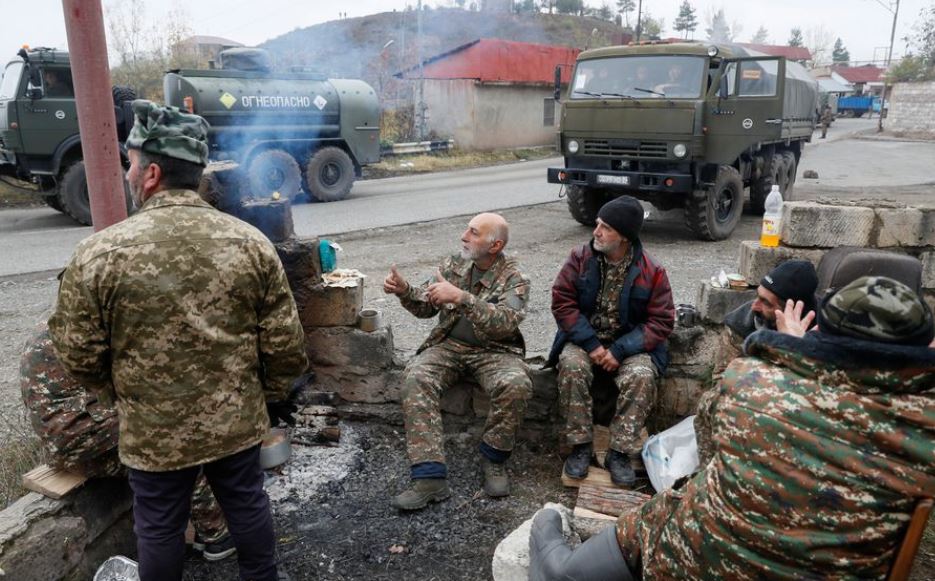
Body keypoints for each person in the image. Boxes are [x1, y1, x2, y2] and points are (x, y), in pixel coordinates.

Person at [48, 100, 307, 581]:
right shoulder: (251, 243)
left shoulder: (98, 254)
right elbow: (285, 346)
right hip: (234, 420)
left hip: (153, 428)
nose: (128, 174)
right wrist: (263, 396)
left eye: (130, 164)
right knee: (247, 505)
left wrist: (124, 393)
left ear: (151, 174)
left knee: (160, 528)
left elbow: (79, 354)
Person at [530, 275, 935, 580]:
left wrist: (792, 351)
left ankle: (557, 558)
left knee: (633, 531)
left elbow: (707, 438)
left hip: (696, 561)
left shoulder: (750, 380)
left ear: (821, 333)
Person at [19, 323, 235, 561]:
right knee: (180, 449)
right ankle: (216, 535)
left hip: (68, 445)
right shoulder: (95, 332)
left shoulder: (55, 327)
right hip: (85, 443)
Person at [384, 213, 532, 510]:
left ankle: (494, 460)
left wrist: (463, 298)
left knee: (516, 384)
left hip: (495, 351)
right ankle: (429, 478)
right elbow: (426, 305)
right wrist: (404, 290)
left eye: (473, 232)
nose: (464, 236)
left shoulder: (515, 278)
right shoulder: (454, 263)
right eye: (467, 229)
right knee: (416, 377)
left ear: (495, 245)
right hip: (450, 345)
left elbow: (504, 322)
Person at [548, 196, 674, 487]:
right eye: (597, 225)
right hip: (585, 340)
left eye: (606, 227)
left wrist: (619, 350)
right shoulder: (579, 259)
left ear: (625, 237)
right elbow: (562, 304)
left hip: (629, 347)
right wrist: (592, 345)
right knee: (571, 365)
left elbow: (661, 321)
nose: (597, 232)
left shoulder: (652, 271)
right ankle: (580, 446)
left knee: (642, 376)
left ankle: (618, 452)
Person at [694, 259, 819, 464]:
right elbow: (722, 380)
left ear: (791, 309)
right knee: (711, 401)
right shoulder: (742, 322)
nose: (755, 305)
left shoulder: (821, 328)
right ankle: (711, 471)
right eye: (757, 296)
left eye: (766, 302)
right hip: (752, 397)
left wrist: (795, 349)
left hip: (801, 406)